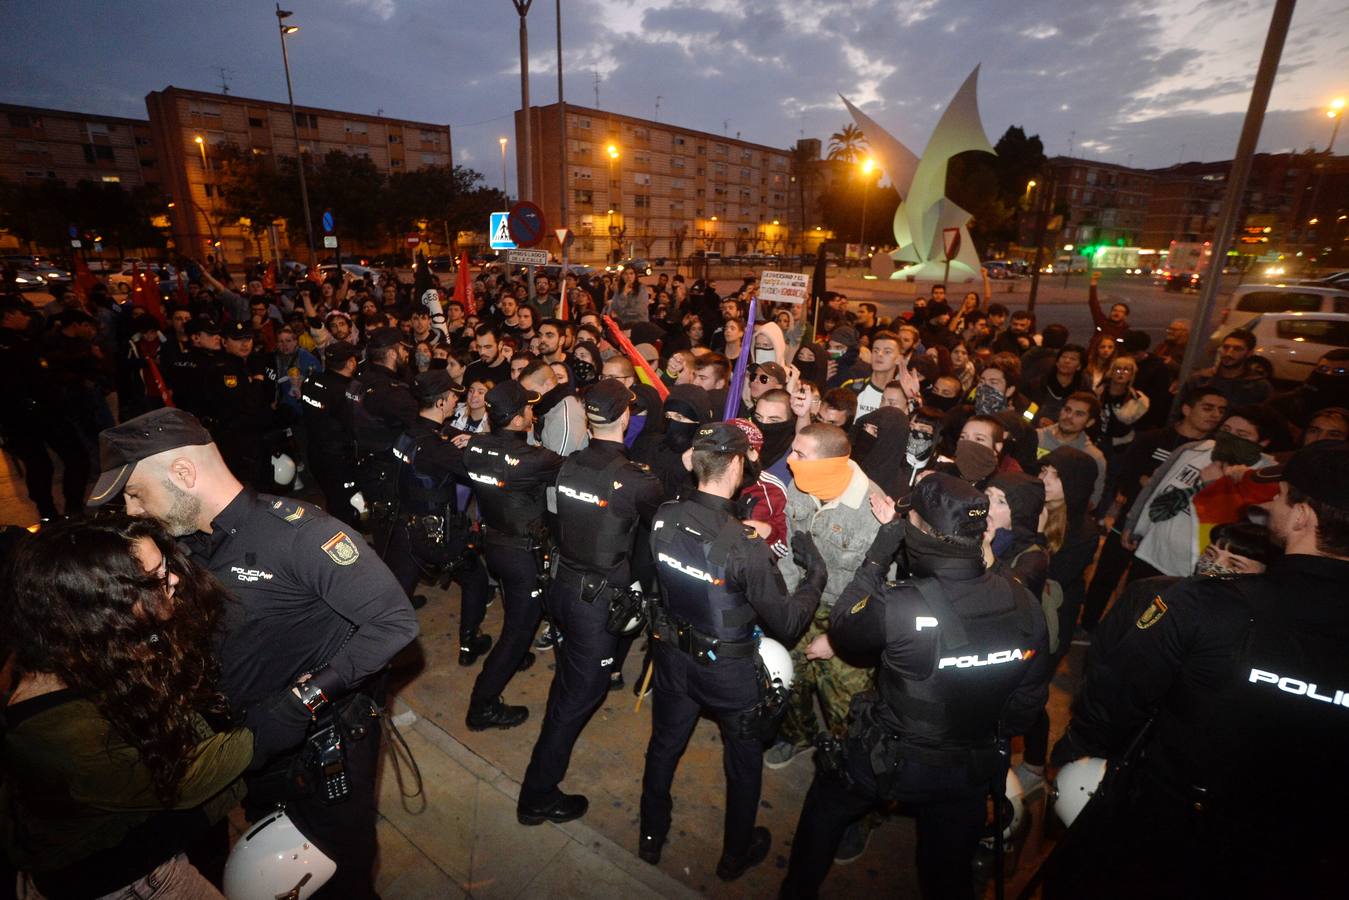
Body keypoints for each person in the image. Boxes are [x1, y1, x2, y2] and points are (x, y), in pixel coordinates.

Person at [89, 408, 418, 899]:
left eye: (136, 492)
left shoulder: (299, 535)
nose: (133, 509)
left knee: (331, 874)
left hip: (317, 747)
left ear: (182, 473)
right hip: (248, 743)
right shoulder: (184, 542)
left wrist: (301, 700)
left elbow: (395, 622)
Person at [1046, 441, 1349, 899]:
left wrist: (1072, 754)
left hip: (1162, 838)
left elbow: (1115, 702)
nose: (1269, 503)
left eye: (1282, 495)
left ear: (1304, 516)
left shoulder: (1203, 605)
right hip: (1296, 856)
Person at [780, 473, 1051, 899]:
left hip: (888, 758)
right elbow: (1026, 708)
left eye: (911, 521)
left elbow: (846, 627)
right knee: (947, 872)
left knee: (825, 809)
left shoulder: (903, 604)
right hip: (967, 770)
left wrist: (879, 552)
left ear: (923, 532)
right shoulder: (1025, 603)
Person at [2, 515, 252, 899]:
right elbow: (184, 779)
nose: (175, 581)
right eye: (155, 578)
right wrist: (290, 713)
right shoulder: (63, 737)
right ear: (102, 606)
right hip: (127, 884)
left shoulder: (85, 648)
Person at [638, 423, 826, 880]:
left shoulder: (663, 514)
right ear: (738, 465)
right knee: (742, 765)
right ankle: (733, 856)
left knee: (664, 745)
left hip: (673, 657)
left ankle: (650, 836)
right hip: (730, 671)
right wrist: (815, 576)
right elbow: (786, 621)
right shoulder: (745, 546)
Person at [517, 380, 663, 826]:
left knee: (570, 682)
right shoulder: (639, 480)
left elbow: (554, 522)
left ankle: (549, 746)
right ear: (625, 418)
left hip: (562, 586)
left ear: (587, 417)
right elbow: (656, 535)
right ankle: (537, 796)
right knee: (583, 695)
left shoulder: (564, 464)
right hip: (595, 602)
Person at [769, 424, 883, 769]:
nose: (790, 461)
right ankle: (797, 736)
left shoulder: (872, 512)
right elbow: (787, 549)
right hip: (802, 603)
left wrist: (836, 640)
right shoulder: (801, 486)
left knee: (847, 706)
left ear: (830, 462)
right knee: (788, 679)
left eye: (800, 454)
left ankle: (846, 767)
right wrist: (790, 604)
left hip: (847, 619)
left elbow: (880, 593)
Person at [460, 380, 565, 729]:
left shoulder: (475, 446)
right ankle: (482, 705)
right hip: (522, 554)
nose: (532, 413)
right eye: (529, 409)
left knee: (514, 612)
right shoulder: (533, 459)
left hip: (494, 546)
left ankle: (513, 657)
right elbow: (574, 467)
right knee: (518, 631)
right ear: (519, 420)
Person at [385, 370, 493, 658]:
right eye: (454, 396)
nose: (458, 400)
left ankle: (380, 669)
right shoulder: (437, 448)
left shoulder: (409, 431)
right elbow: (480, 474)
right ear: (443, 402)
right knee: (476, 580)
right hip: (435, 536)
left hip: (403, 527)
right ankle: (469, 644)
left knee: (397, 596)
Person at [0, 296, 89, 520]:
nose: (26, 317)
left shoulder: (22, 341)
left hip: (15, 420)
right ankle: (73, 509)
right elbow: (39, 381)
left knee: (38, 465)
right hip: (41, 414)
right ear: (9, 316)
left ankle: (48, 514)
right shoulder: (19, 345)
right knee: (75, 458)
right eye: (21, 313)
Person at [300, 342, 363, 527]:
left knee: (332, 499)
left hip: (315, 453)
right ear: (351, 362)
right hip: (340, 458)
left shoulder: (310, 381)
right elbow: (354, 426)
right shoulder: (350, 391)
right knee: (344, 508)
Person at [1036, 392, 1107, 508]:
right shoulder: (1036, 437)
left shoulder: (1093, 457)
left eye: (1079, 414)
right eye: (1067, 410)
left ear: (1090, 422)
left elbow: (1092, 501)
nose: (1069, 416)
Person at [1176, 328, 1272, 411]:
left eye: (1237, 349)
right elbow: (1179, 411)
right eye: (1226, 347)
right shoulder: (1200, 380)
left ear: (1249, 353)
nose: (1228, 353)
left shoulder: (1259, 387)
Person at [1085, 270, 1129, 341]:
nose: (1116, 313)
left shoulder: (1126, 332)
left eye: (1121, 311)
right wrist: (1093, 282)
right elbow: (1093, 304)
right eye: (1114, 310)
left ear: (1125, 316)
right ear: (1111, 312)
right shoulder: (1102, 322)